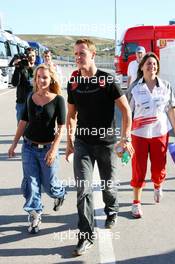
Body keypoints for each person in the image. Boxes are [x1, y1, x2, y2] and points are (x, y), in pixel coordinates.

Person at [66, 38, 134, 256]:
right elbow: (71, 115)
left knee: (108, 187)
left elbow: (125, 111)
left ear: (93, 55)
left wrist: (126, 139)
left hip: (106, 144)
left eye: (82, 53)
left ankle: (111, 210)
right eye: (75, 53)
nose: (78, 57)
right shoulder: (74, 81)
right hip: (83, 143)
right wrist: (69, 143)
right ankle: (86, 235)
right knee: (83, 189)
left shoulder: (107, 80)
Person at [8, 64, 66, 234]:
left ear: (51, 79)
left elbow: (61, 126)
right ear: (35, 79)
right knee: (31, 183)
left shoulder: (58, 100)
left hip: (48, 149)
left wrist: (54, 149)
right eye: (39, 77)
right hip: (29, 147)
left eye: (45, 77)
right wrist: (14, 144)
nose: (41, 80)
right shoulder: (30, 97)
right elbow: (23, 122)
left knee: (49, 185)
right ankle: (35, 214)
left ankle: (60, 194)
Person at [127, 52, 175, 218]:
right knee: (138, 168)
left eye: (155, 64)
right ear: (142, 67)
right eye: (148, 63)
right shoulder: (134, 87)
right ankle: (136, 203)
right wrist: (125, 136)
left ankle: (157, 185)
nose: (152, 66)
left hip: (160, 133)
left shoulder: (166, 86)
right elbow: (128, 113)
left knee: (158, 167)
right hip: (138, 134)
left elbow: (170, 110)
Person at [11, 48, 36, 123]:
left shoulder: (37, 69)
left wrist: (30, 67)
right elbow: (15, 83)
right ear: (26, 56)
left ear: (35, 57)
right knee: (21, 127)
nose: (31, 57)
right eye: (29, 55)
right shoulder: (21, 67)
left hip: (34, 102)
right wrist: (17, 68)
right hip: (21, 102)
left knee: (32, 127)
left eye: (33, 55)